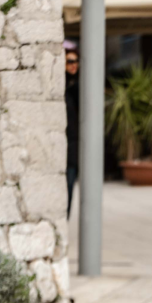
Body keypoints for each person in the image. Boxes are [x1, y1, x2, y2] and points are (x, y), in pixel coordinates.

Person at [64, 43, 80, 217]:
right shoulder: (62, 86)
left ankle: (65, 219)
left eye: (76, 61)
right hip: (64, 143)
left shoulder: (79, 86)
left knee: (70, 183)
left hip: (74, 145)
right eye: (69, 61)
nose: (74, 65)